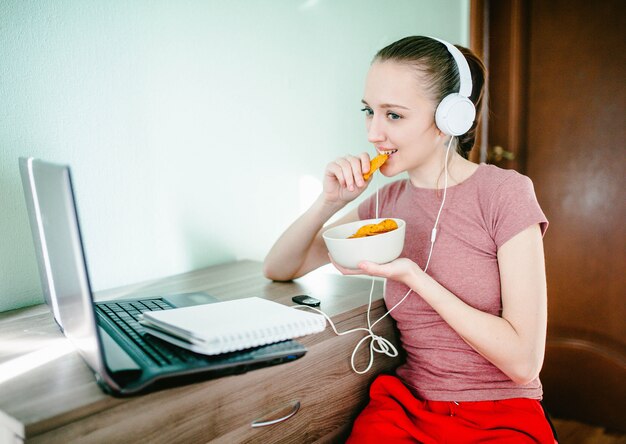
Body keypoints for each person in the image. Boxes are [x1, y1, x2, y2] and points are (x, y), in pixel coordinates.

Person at [264, 36, 557, 443]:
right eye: (369, 111)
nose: (373, 133)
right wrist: (328, 202)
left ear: (451, 118)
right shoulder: (387, 201)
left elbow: (524, 364)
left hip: (499, 412)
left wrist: (415, 278)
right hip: (408, 408)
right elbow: (279, 267)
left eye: (394, 116)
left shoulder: (504, 193)